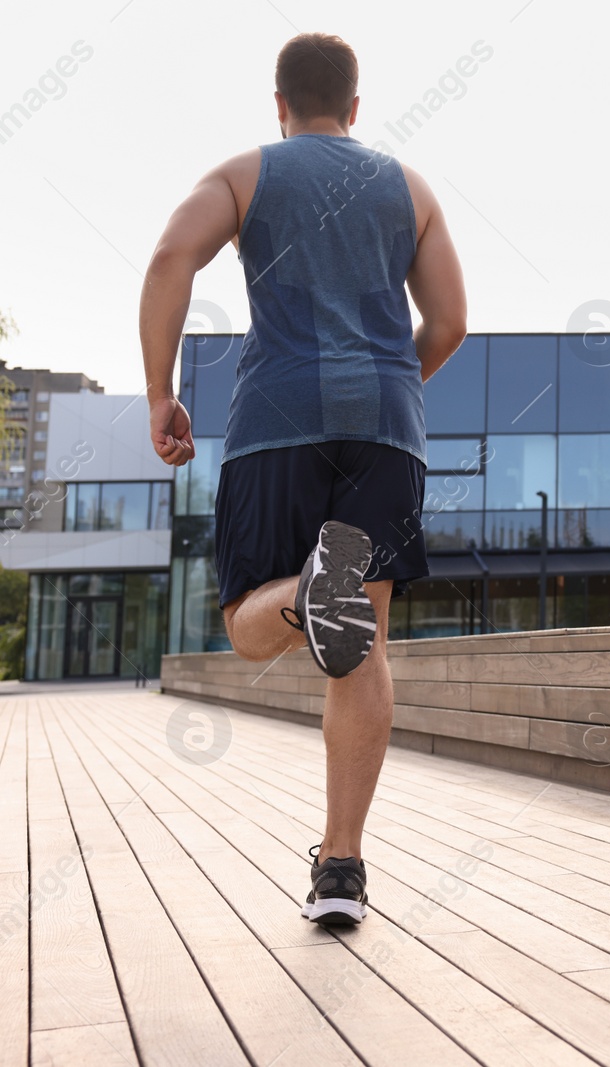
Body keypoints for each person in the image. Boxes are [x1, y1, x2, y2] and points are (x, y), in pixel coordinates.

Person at [139, 32, 466, 926]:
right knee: (361, 644)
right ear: (356, 107)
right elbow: (450, 321)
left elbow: (172, 257)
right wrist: (391, 388)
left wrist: (161, 392)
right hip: (386, 431)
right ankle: (342, 871)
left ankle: (298, 597)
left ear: (278, 103)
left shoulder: (247, 172)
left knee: (249, 628)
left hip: (275, 423)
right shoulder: (411, 186)